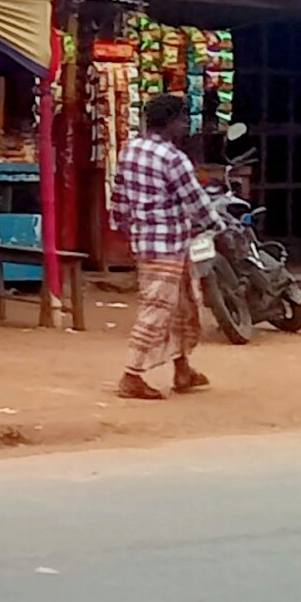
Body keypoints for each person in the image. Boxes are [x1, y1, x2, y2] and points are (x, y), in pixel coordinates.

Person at [110, 92, 216, 400]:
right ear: (169, 122)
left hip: (148, 240)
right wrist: (218, 227)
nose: (185, 126)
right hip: (167, 242)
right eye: (182, 120)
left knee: (183, 305)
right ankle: (132, 374)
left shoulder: (130, 151)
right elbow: (195, 200)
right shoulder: (173, 158)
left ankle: (182, 368)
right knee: (157, 308)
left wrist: (125, 227)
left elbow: (119, 196)